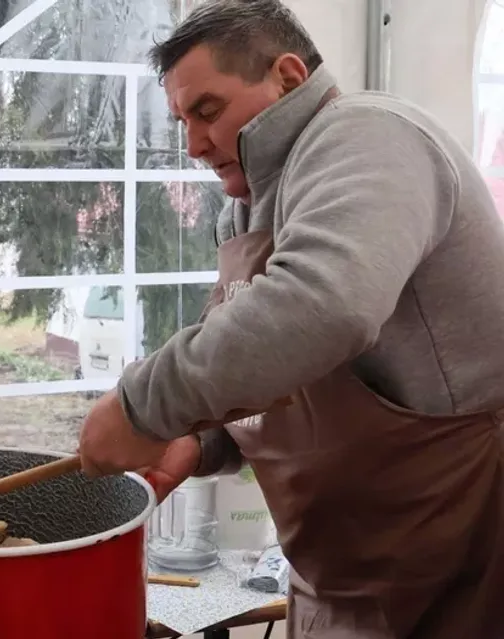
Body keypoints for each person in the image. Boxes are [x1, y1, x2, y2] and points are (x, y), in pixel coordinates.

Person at [77, 0, 504, 636]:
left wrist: (142, 406)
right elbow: (277, 374)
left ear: (287, 77)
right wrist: (199, 440)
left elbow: (323, 306)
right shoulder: (246, 209)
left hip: (459, 567)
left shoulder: (369, 136)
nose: (193, 145)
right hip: (340, 578)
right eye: (182, 122)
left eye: (208, 111)